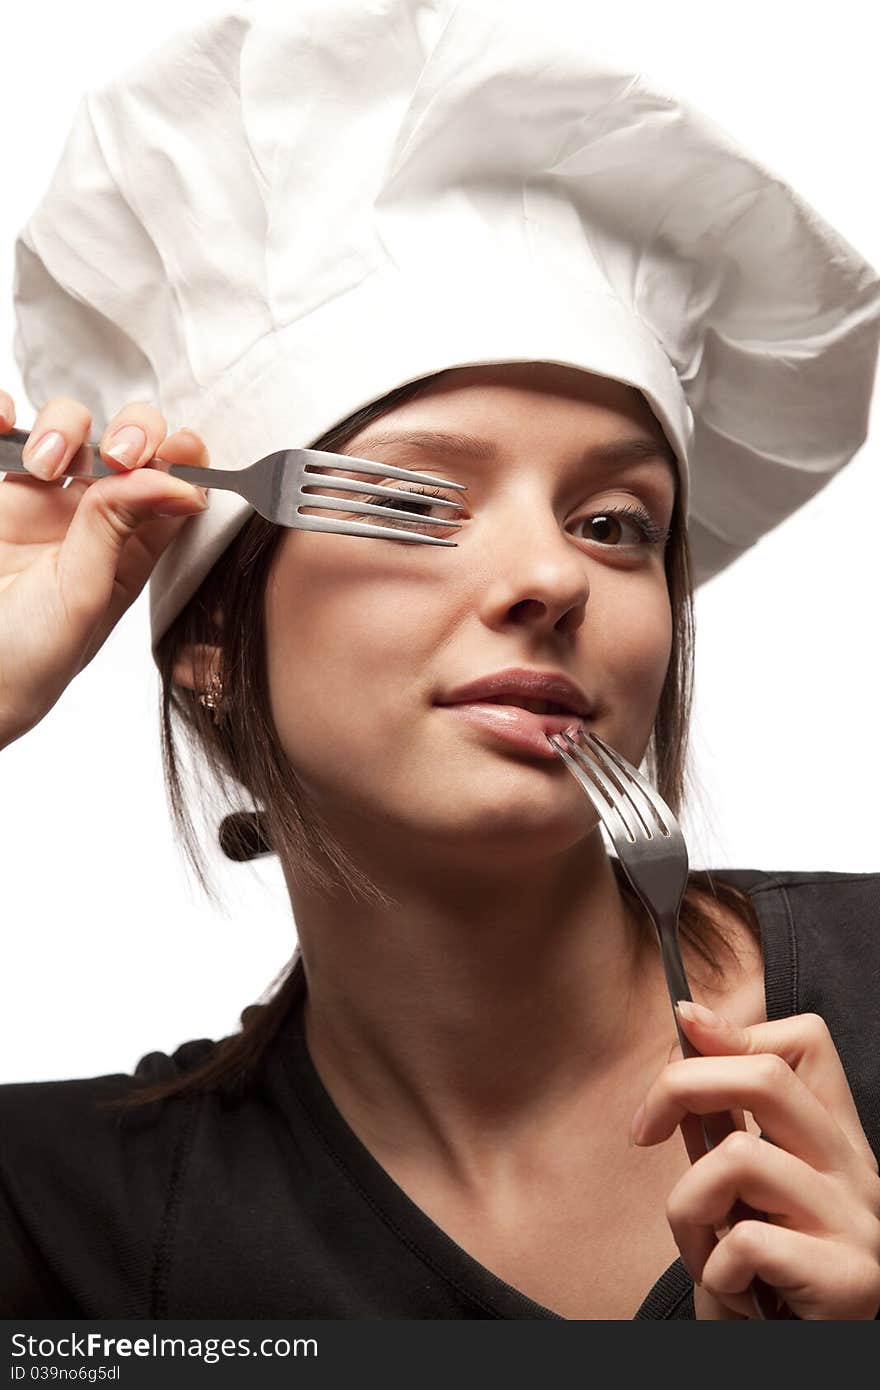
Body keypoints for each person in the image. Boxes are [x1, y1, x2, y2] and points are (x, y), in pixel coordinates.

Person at [1, 0, 880, 1321]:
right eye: (414, 502)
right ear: (210, 640)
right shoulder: (89, 1242)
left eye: (615, 522)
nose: (551, 576)